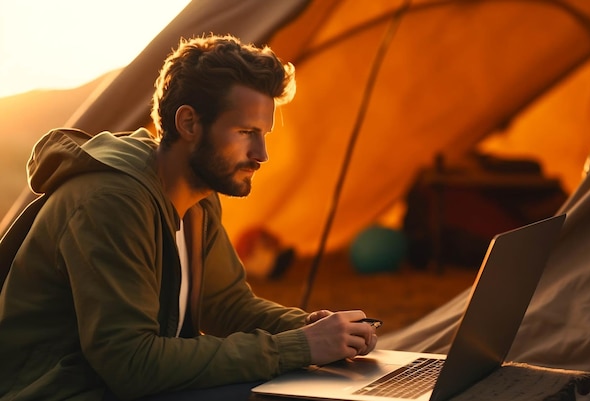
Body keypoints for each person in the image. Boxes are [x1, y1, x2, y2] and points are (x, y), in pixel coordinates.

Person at [0, 34, 378, 401]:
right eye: (246, 132)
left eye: (263, 134)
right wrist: (296, 347)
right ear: (189, 124)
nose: (262, 153)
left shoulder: (197, 199)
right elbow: (131, 363)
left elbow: (227, 305)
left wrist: (313, 329)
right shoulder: (111, 201)